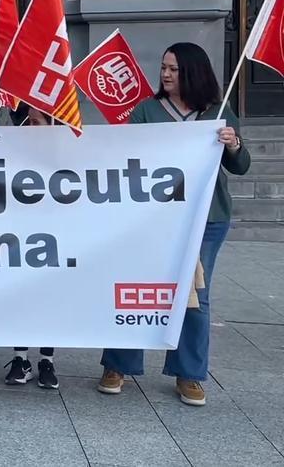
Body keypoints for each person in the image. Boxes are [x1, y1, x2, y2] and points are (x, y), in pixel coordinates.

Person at [98, 42, 250, 407]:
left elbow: (240, 166)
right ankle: (118, 364)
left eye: (174, 69)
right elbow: (125, 158)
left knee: (195, 295)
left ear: (193, 73)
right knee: (136, 288)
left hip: (206, 219)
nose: (165, 74)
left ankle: (190, 374)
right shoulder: (147, 111)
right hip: (152, 219)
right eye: (164, 67)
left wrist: (232, 144)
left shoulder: (218, 111)